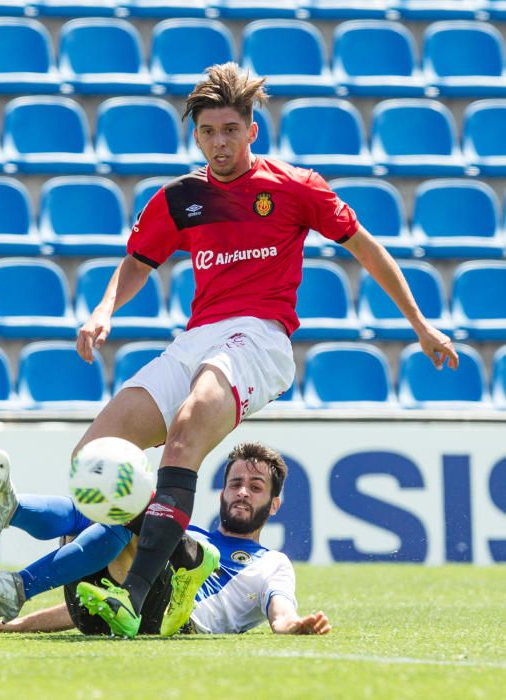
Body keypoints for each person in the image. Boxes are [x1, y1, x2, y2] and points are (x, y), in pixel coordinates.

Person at [30, 62, 461, 639]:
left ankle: (134, 597)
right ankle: (177, 558)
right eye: (208, 132)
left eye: (230, 130)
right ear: (197, 135)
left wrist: (421, 325)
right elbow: (138, 262)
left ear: (252, 130)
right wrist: (105, 308)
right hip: (198, 336)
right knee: (94, 455)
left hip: (261, 335)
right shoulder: (180, 197)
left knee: (186, 429)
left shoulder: (295, 187)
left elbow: (366, 247)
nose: (219, 143)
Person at [0, 443, 330, 637]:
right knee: (115, 516)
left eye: (256, 487)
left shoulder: (272, 563)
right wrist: (21, 625)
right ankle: (12, 514)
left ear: (275, 503)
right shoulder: (190, 534)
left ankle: (18, 577)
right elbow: (94, 593)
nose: (242, 493)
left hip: (179, 621)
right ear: (221, 494)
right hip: (113, 607)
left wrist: (291, 625)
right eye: (235, 484)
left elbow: (280, 612)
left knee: (131, 512)